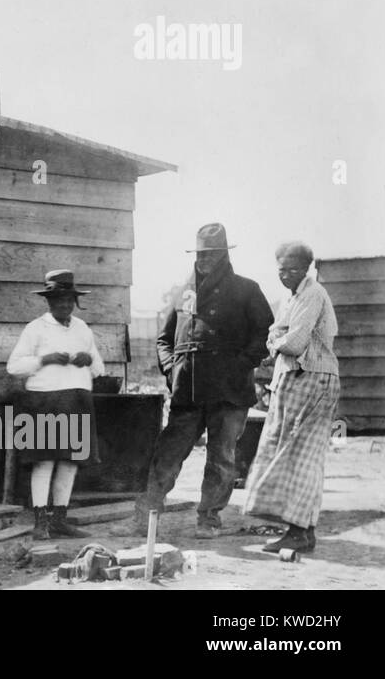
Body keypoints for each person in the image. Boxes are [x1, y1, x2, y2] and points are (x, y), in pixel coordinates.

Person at [130, 223, 273, 539]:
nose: (205, 259)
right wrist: (171, 370)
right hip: (189, 390)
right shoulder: (184, 292)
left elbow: (265, 332)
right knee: (168, 453)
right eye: (201, 253)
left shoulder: (246, 289)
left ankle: (208, 518)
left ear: (224, 254)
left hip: (229, 391)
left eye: (212, 253)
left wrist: (241, 364)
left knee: (221, 458)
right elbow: (164, 339)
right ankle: (146, 514)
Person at [242, 241, 340, 553]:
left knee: (300, 455)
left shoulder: (312, 294)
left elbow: (294, 342)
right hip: (296, 378)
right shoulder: (294, 296)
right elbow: (275, 331)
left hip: (311, 377)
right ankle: (302, 530)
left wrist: (276, 342)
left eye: (292, 269)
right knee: (290, 452)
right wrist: (277, 339)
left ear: (306, 269)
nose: (285, 275)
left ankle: (298, 532)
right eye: (281, 269)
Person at [7, 270, 106, 540]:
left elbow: (99, 367)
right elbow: (14, 366)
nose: (64, 305)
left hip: (76, 400)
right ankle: (40, 522)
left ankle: (59, 520)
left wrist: (88, 358)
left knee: (70, 462)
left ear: (75, 301)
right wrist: (44, 359)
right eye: (58, 300)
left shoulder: (82, 328)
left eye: (69, 300)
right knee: (44, 462)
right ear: (48, 302)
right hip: (45, 401)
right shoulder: (36, 328)